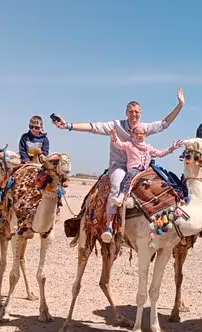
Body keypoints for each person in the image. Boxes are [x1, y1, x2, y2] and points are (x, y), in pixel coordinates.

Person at [53, 88, 184, 239]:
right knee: (117, 186)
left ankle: (156, 224)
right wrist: (68, 125)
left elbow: (164, 123)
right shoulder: (115, 126)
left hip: (141, 167)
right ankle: (109, 226)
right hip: (120, 166)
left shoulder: (144, 128)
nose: (134, 114)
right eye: (131, 111)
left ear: (140, 113)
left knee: (163, 184)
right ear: (126, 113)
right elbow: (93, 127)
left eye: (136, 112)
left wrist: (180, 104)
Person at [107, 125, 183, 238]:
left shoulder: (148, 147)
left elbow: (159, 153)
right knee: (129, 176)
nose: (139, 135)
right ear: (132, 134)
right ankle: (121, 196)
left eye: (141, 133)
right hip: (133, 170)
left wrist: (171, 149)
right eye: (136, 133)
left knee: (162, 181)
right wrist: (114, 136)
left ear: (145, 135)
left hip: (146, 172)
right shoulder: (129, 145)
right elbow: (119, 145)